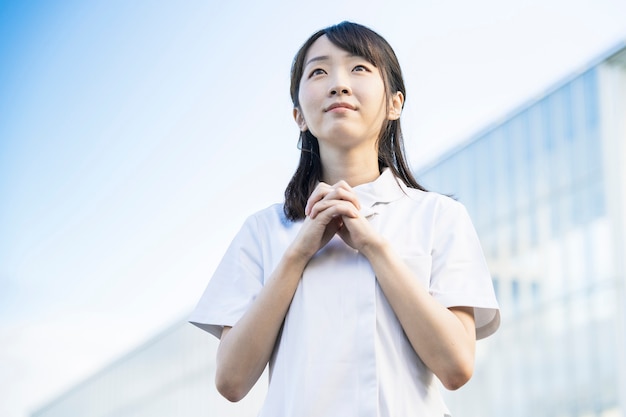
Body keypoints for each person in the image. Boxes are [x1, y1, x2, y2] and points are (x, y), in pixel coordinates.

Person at [190, 21, 500, 417]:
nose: (338, 84)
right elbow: (231, 381)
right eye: (319, 71)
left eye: (359, 68)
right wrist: (298, 253)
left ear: (395, 104)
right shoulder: (262, 231)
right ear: (299, 114)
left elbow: (456, 366)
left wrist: (374, 247)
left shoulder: (439, 217)